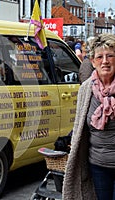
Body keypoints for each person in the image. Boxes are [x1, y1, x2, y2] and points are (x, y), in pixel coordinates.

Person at [63, 33, 115, 200]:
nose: (105, 61)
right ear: (92, 62)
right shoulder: (86, 89)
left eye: (110, 56)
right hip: (98, 165)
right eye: (99, 57)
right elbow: (80, 125)